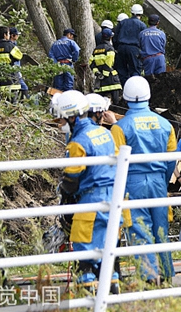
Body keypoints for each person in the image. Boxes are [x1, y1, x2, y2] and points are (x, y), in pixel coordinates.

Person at [110, 76, 177, 284]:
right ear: (148, 96)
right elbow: (171, 160)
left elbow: (116, 164)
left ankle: (149, 277)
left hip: (132, 182)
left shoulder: (119, 128)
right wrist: (163, 180)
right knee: (161, 229)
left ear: (125, 97)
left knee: (140, 229)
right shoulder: (166, 125)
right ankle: (167, 274)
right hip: (159, 181)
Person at [55, 91, 120, 293]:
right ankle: (113, 291)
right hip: (113, 197)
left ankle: (87, 294)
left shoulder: (78, 143)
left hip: (90, 201)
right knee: (107, 248)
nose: (60, 124)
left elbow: (72, 180)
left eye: (61, 119)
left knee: (84, 249)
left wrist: (64, 197)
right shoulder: (105, 133)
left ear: (72, 117)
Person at [113, 5, 145, 85]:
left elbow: (115, 37)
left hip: (121, 48)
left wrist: (117, 48)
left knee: (122, 71)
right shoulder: (142, 25)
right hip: (134, 49)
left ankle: (124, 88)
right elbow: (143, 40)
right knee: (135, 70)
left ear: (131, 13)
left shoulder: (123, 22)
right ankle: (134, 88)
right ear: (141, 14)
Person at [0, 26, 24, 96]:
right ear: (5, 35)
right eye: (8, 33)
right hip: (11, 77)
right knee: (14, 98)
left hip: (0, 78)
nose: (9, 35)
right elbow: (19, 56)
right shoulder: (10, 46)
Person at [90, 28, 122, 105]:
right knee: (116, 101)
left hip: (100, 81)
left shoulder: (96, 49)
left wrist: (97, 73)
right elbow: (109, 63)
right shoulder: (110, 48)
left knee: (99, 102)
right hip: (110, 79)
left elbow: (91, 63)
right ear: (110, 37)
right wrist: (105, 74)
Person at [9, 27, 30, 95]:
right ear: (12, 35)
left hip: (16, 70)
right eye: (17, 35)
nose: (18, 36)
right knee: (24, 87)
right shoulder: (10, 46)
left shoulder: (14, 44)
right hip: (14, 70)